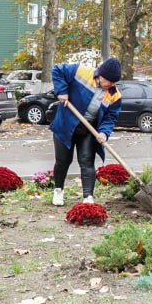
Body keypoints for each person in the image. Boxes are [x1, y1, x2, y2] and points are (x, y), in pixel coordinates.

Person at [49, 57, 123, 207]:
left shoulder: (115, 95)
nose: (113, 85)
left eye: (115, 82)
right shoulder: (80, 71)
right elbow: (57, 70)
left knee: (87, 161)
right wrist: (62, 91)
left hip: (88, 129)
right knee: (63, 160)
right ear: (101, 76)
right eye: (110, 81)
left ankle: (88, 197)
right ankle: (58, 190)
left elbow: (110, 116)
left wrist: (104, 132)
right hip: (66, 123)